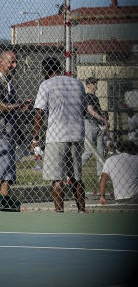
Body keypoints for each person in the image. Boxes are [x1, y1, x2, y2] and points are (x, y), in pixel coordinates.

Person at [30, 57, 86, 213]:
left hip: (56, 136)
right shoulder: (77, 83)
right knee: (76, 177)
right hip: (76, 133)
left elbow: (39, 113)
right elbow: (83, 108)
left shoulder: (46, 84)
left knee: (57, 178)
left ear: (46, 70)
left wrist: (35, 137)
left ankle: (59, 213)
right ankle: (81, 210)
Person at [1, 49, 31, 204]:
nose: (15, 65)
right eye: (11, 61)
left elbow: (10, 108)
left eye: (16, 61)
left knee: (8, 173)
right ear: (1, 62)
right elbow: (1, 106)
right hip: (2, 134)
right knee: (6, 173)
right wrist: (19, 105)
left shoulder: (9, 82)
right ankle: (3, 202)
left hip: (8, 132)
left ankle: (3, 201)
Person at [80, 77, 109, 175]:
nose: (96, 84)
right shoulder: (87, 96)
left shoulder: (95, 98)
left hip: (97, 125)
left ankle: (100, 176)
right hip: (89, 123)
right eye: (93, 83)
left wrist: (103, 120)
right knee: (89, 151)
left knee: (100, 152)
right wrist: (103, 119)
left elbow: (97, 112)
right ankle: (72, 171)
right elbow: (91, 111)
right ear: (88, 85)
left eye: (96, 82)